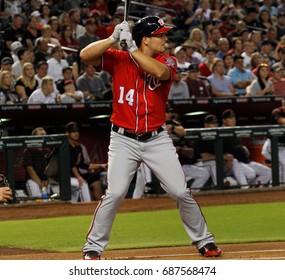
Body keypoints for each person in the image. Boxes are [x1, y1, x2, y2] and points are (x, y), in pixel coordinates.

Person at [80, 15, 221, 260]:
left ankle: (204, 241)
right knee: (114, 193)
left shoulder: (167, 59)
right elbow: (85, 55)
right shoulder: (119, 58)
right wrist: (113, 38)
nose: (166, 40)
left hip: (156, 139)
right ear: (146, 39)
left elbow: (160, 72)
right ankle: (93, 246)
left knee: (179, 191)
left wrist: (133, 48)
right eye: (161, 35)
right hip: (123, 139)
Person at [196, 114, 252, 189]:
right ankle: (219, 187)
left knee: (234, 161)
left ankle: (245, 188)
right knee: (213, 163)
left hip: (219, 163)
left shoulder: (220, 136)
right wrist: (223, 157)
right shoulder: (200, 136)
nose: (214, 125)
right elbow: (204, 156)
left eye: (216, 123)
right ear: (205, 125)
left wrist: (229, 159)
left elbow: (226, 152)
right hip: (201, 165)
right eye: (212, 123)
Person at [222, 109, 272, 188]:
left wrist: (244, 149)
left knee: (268, 172)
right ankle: (246, 190)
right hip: (235, 163)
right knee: (251, 174)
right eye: (230, 118)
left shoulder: (235, 131)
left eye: (234, 118)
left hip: (245, 161)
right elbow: (220, 152)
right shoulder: (221, 133)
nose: (233, 120)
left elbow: (239, 147)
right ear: (224, 120)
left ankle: (254, 189)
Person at [66, 122, 107, 202]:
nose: (76, 134)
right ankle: (87, 206)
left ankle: (84, 209)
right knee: (83, 185)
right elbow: (72, 165)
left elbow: (83, 165)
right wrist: (79, 177)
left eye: (77, 131)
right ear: (67, 133)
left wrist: (100, 165)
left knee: (74, 198)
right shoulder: (65, 147)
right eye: (73, 132)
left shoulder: (78, 148)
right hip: (65, 177)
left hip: (74, 177)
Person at [22, 127, 54, 197]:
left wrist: (47, 181)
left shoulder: (47, 151)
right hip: (33, 181)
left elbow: (51, 168)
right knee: (37, 201)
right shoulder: (29, 150)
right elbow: (30, 169)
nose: (44, 137)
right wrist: (40, 183)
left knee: (48, 201)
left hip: (46, 181)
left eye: (45, 135)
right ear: (34, 138)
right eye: (41, 135)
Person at [262, 99, 285, 185]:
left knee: (281, 166)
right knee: (283, 164)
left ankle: (272, 185)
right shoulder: (277, 111)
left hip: (283, 148)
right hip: (271, 146)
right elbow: (282, 121)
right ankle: (282, 187)